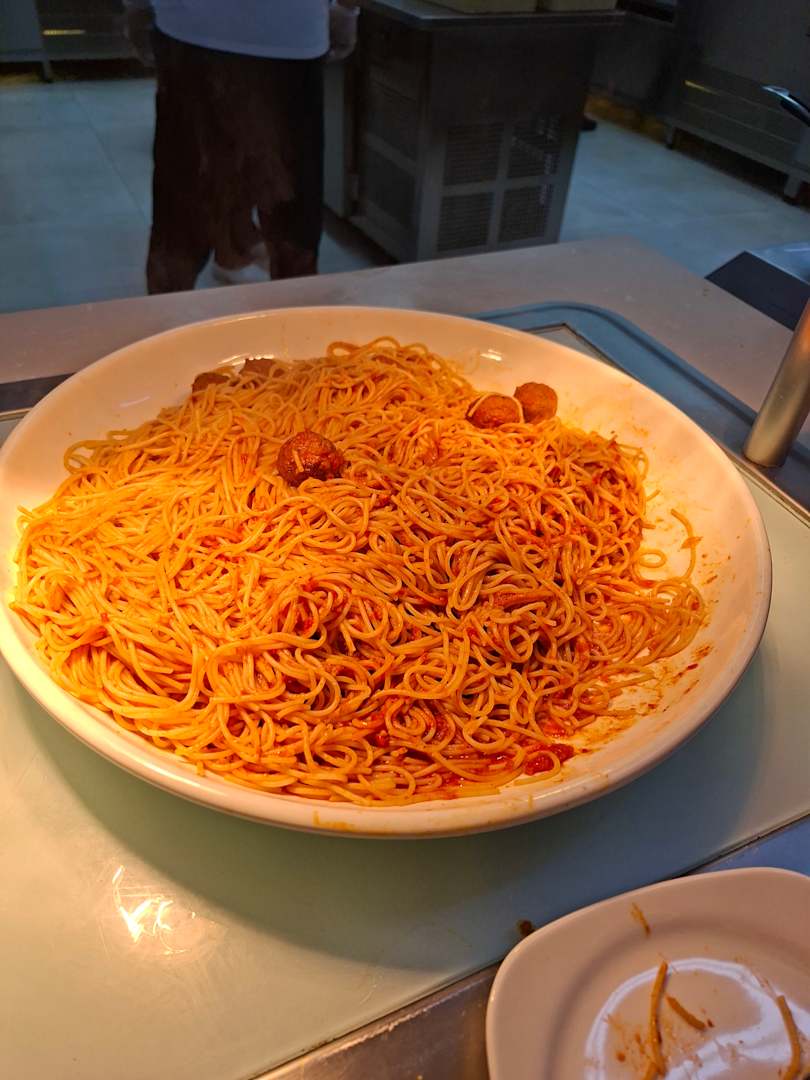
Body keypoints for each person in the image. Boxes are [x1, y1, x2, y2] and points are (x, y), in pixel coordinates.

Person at [123, 1, 359, 294]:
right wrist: (346, 9)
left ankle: (222, 263)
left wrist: (137, 5)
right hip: (287, 35)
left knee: (178, 230)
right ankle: (239, 263)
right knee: (292, 234)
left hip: (190, 29)